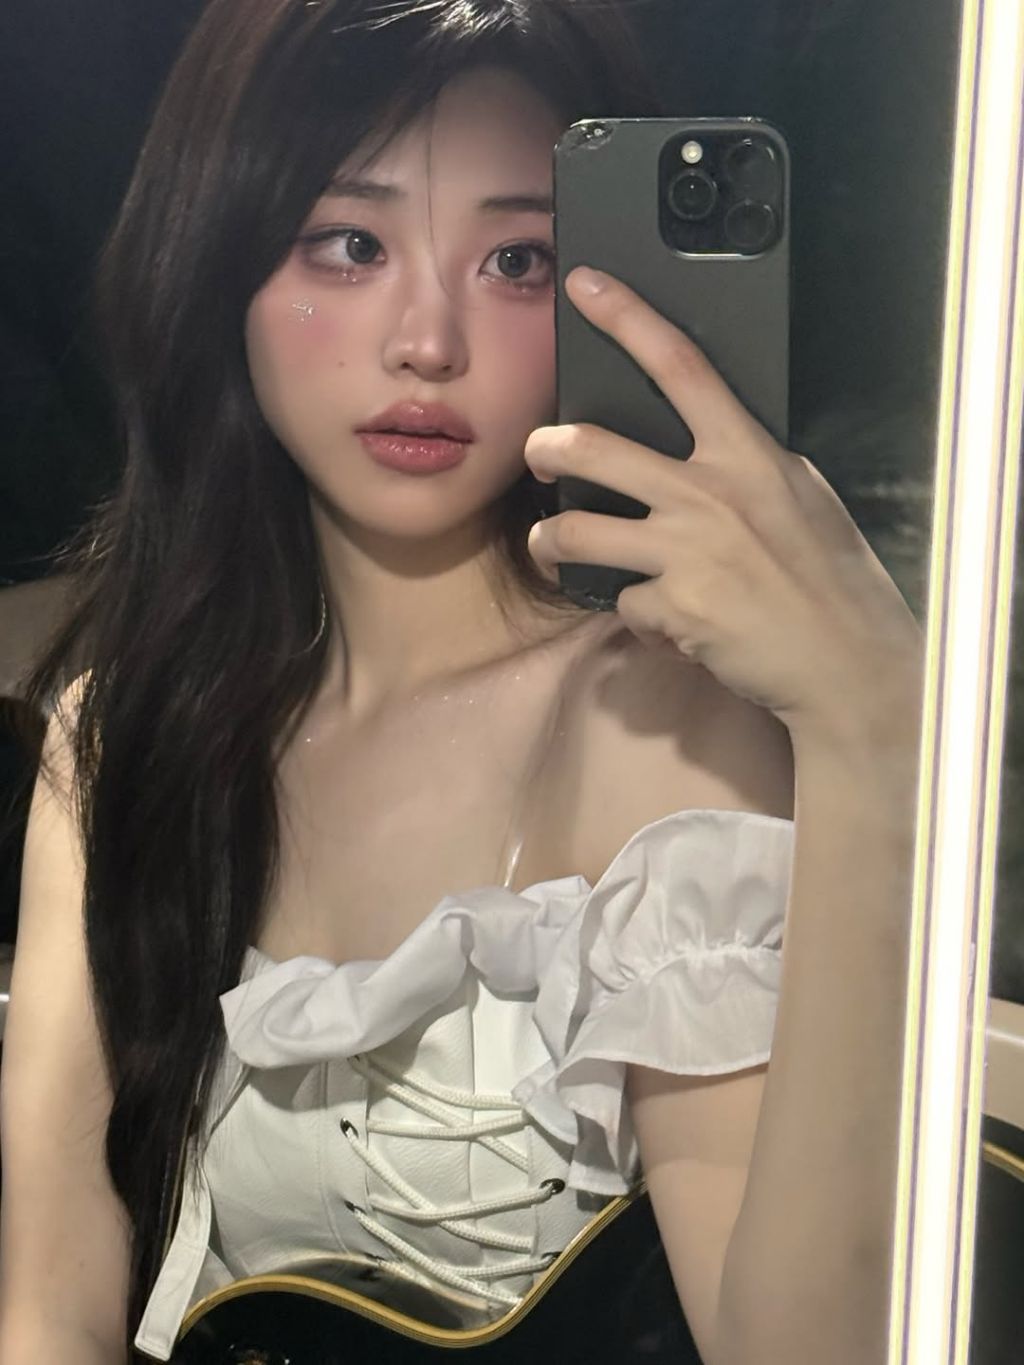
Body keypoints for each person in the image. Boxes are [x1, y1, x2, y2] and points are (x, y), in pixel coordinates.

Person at [0, 2, 924, 1362]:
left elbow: (800, 1346)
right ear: (218, 264)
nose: (426, 342)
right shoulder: (123, 726)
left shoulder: (660, 729)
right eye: (350, 243)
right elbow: (50, 1301)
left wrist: (874, 725)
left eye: (517, 259)